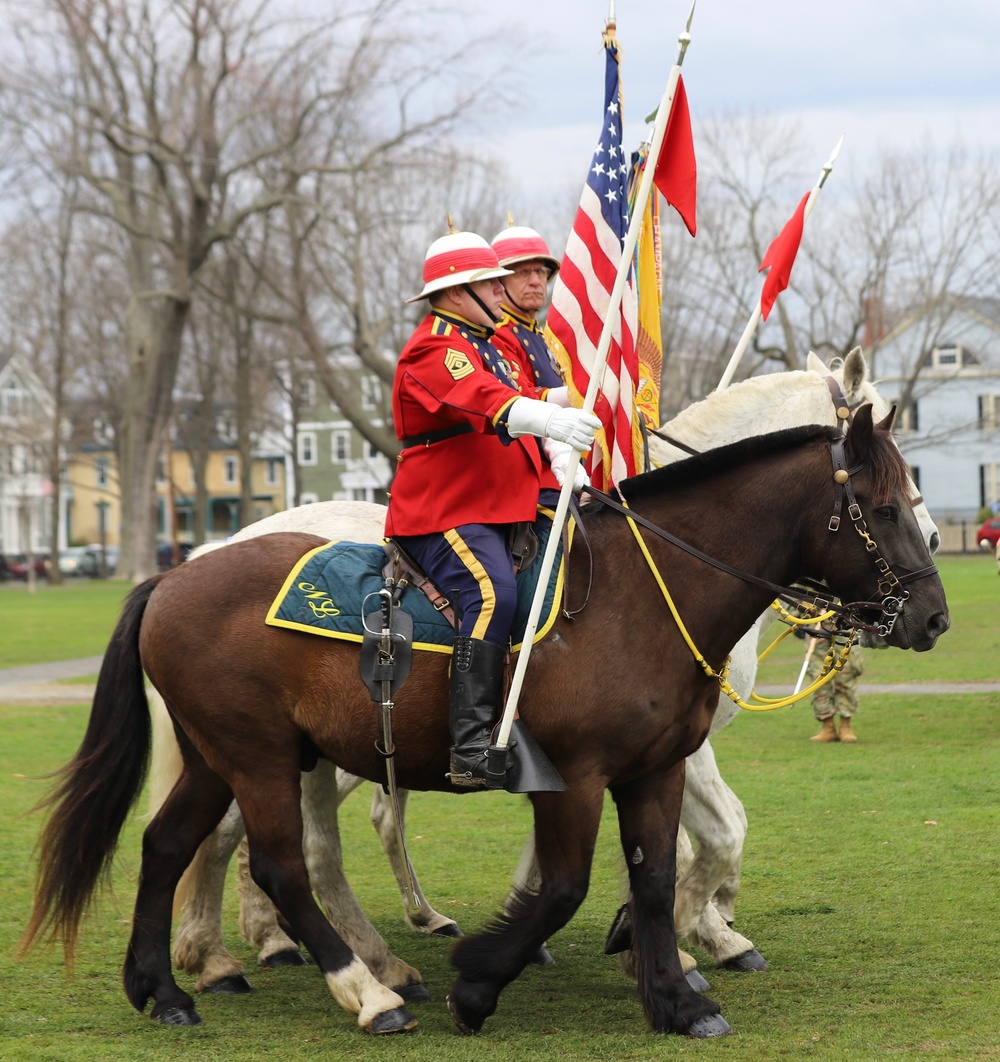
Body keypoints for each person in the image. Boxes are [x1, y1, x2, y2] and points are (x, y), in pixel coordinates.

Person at [386, 229, 600, 788]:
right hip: (445, 510)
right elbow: (487, 400)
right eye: (488, 282)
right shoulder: (435, 346)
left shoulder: (484, 342)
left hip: (502, 506)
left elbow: (523, 391)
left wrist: (565, 407)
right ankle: (472, 744)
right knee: (490, 592)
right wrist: (547, 417)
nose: (502, 290)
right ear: (458, 292)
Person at [803, 631, 864, 743]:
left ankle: (845, 726)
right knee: (818, 677)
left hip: (845, 624)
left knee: (846, 674)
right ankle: (828, 727)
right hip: (817, 626)